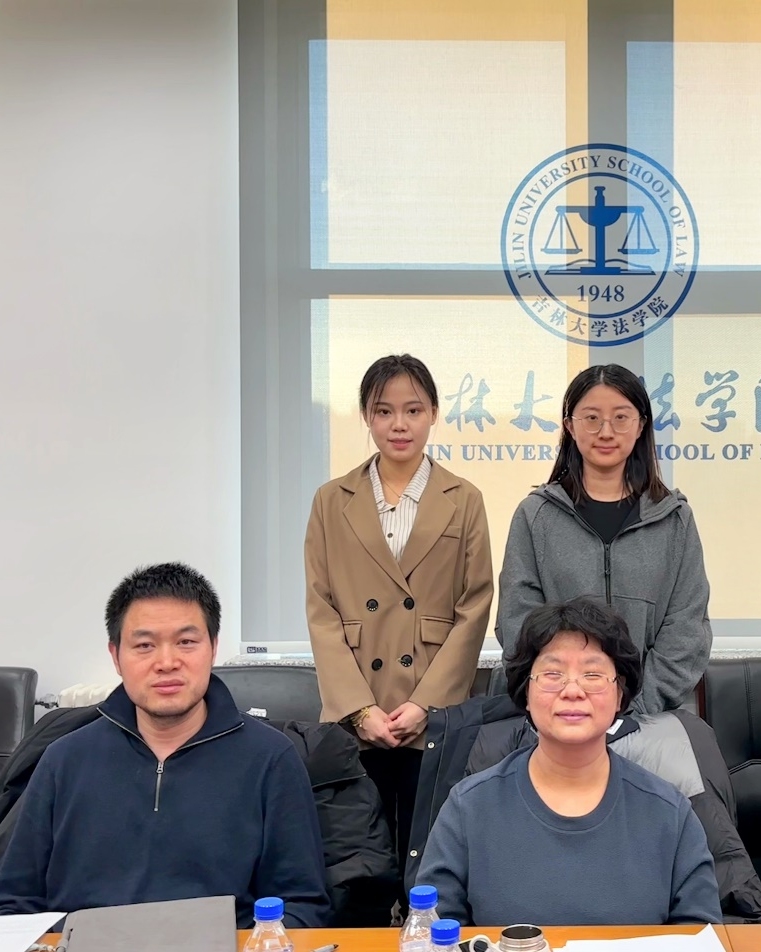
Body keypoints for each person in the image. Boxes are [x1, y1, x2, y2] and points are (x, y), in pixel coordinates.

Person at [0, 563, 331, 927]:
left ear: (213, 648)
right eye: (144, 645)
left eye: (186, 642)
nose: (167, 663)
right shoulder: (63, 760)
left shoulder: (270, 758)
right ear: (116, 656)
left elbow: (302, 905)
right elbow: (15, 905)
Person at [305, 353, 493, 888]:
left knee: (431, 863)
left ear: (434, 413)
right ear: (367, 416)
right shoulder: (331, 500)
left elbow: (475, 605)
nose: (399, 424)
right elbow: (321, 608)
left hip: (431, 705)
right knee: (358, 864)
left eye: (413, 410)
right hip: (358, 707)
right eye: (384, 411)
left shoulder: (464, 499)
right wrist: (358, 708)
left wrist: (426, 705)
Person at [416, 597, 722, 926]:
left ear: (619, 694)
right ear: (526, 693)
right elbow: (433, 930)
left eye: (592, 674)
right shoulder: (469, 806)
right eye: (552, 673)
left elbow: (699, 932)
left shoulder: (669, 812)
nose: (572, 691)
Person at [496, 363, 711, 715]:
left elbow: (687, 626)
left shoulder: (675, 519)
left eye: (621, 417)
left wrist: (637, 706)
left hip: (650, 717)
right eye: (592, 418)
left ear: (641, 426)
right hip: (560, 715)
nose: (606, 432)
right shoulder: (535, 516)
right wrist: (569, 700)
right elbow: (517, 621)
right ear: (570, 426)